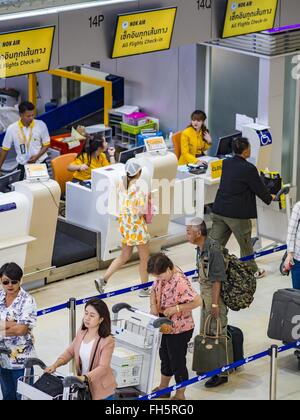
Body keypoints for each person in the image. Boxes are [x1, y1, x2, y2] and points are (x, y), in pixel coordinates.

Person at [210, 137, 274, 278]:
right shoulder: (249, 169)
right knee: (245, 245)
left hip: (220, 209)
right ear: (245, 152)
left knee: (215, 244)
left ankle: (206, 268)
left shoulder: (226, 163)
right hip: (237, 214)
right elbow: (259, 189)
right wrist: (270, 198)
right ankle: (251, 271)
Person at [148, 253, 201, 400]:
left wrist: (175, 309)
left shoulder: (179, 281)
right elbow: (153, 290)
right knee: (164, 356)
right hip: (164, 326)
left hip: (180, 328)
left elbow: (197, 301)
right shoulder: (162, 276)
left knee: (177, 361)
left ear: (169, 269)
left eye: (160, 276)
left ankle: (180, 393)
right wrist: (153, 306)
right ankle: (163, 388)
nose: (158, 279)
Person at [94, 161, 151, 297]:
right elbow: (141, 211)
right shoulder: (139, 188)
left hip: (125, 226)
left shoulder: (121, 183)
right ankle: (144, 288)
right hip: (137, 227)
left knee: (124, 256)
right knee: (145, 258)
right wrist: (148, 199)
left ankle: (103, 279)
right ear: (138, 172)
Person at [186, 218, 229, 388]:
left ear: (198, 233)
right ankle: (210, 366)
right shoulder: (200, 248)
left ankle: (222, 373)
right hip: (205, 295)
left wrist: (215, 305)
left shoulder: (213, 249)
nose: (186, 234)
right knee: (206, 331)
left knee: (217, 331)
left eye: (189, 231)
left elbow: (217, 279)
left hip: (214, 295)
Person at [45, 298, 116, 400]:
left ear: (101, 319)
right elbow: (70, 351)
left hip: (102, 391)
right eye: (86, 313)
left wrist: (85, 377)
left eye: (92, 315)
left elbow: (103, 367)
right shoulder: (82, 332)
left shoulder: (107, 340)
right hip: (84, 388)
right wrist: (55, 365)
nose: (87, 318)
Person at [0, 263, 37, 400]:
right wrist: (13, 324)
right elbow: (18, 327)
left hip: (22, 362)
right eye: (5, 282)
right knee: (8, 396)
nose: (10, 285)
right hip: (2, 360)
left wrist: (3, 327)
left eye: (14, 281)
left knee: (23, 397)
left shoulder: (27, 301)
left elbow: (21, 330)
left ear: (20, 280)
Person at [0, 101, 50, 180]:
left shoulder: (41, 125)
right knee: (22, 189)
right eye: (28, 116)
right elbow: (5, 149)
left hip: (40, 164)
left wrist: (37, 156)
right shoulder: (12, 129)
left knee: (42, 189)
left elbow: (46, 144)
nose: (31, 118)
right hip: (23, 165)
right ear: (21, 115)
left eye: (33, 115)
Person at [285, 201, 300, 290]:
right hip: (298, 259)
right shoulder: (298, 207)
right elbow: (291, 231)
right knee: (297, 292)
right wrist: (289, 254)